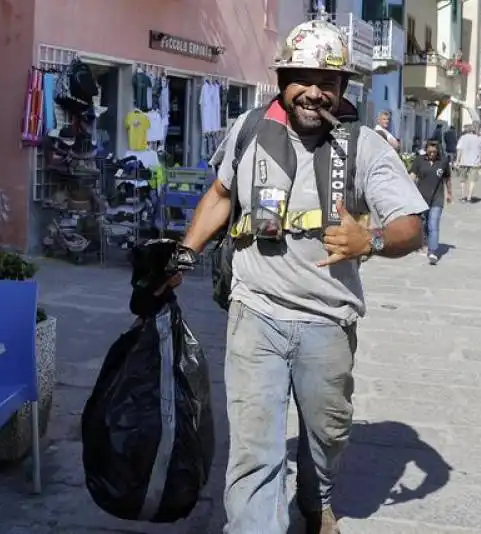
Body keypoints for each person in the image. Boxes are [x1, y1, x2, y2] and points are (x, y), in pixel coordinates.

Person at [178, 16, 427, 534]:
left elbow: (411, 226)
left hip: (327, 321)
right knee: (253, 452)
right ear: (282, 81)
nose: (314, 93)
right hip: (255, 313)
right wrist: (183, 254)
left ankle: (318, 501)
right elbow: (220, 197)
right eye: (303, 80)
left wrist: (371, 240)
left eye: (329, 83)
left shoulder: (364, 147)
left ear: (342, 89)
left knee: (326, 437)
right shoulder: (248, 130)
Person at [409, 140, 452, 265]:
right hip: (421, 198)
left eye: (434, 150)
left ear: (438, 150)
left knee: (433, 225)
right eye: (430, 150)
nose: (432, 153)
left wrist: (449, 193)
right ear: (426, 149)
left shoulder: (443, 161)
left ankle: (432, 252)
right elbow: (412, 176)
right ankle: (423, 243)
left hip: (437, 198)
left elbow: (447, 178)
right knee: (423, 223)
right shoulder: (419, 160)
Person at [455, 124, 481, 202]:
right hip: (475, 162)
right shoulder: (478, 138)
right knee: (472, 180)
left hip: (463, 161)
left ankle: (463, 196)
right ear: (473, 131)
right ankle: (469, 196)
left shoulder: (462, 138)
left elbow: (459, 150)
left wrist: (457, 161)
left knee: (462, 179)